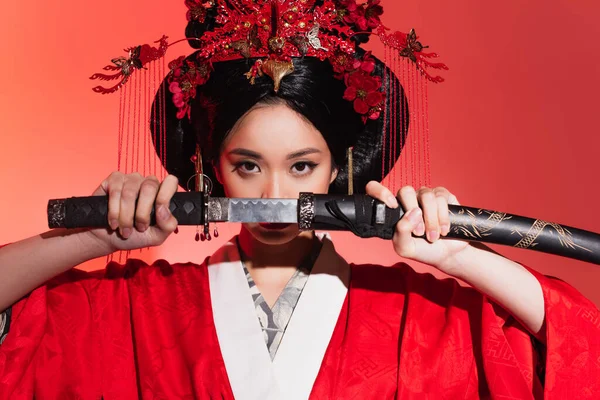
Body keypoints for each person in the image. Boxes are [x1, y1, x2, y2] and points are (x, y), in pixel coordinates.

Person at [1, 1, 599, 398]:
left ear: (339, 167)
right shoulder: (136, 309)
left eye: (303, 166)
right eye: (247, 166)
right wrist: (98, 236)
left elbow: (578, 353)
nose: (275, 195)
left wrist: (457, 256)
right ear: (212, 169)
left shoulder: (419, 317)